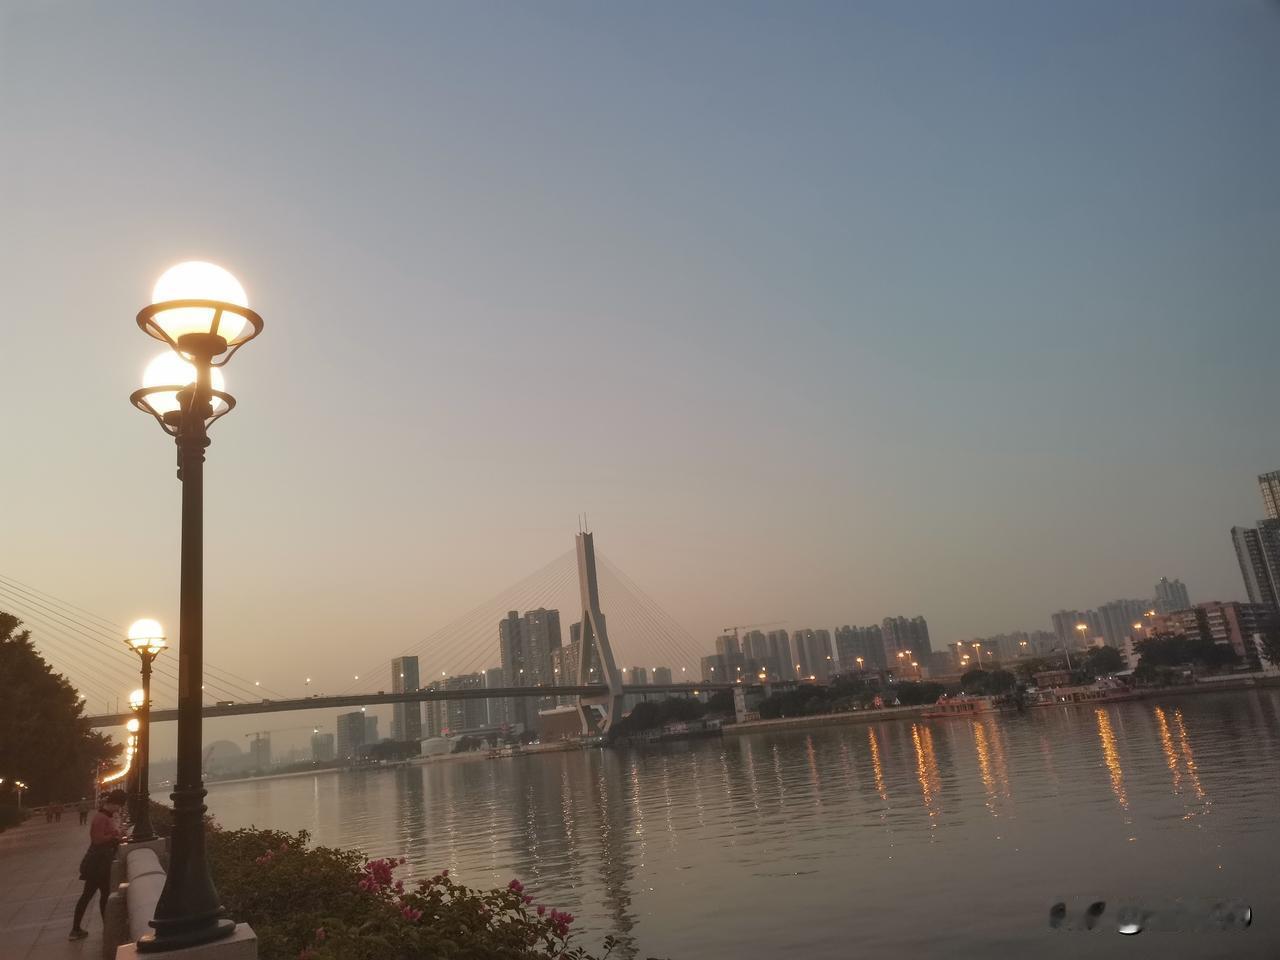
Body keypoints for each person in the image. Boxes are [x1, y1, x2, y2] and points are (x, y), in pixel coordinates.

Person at [68, 789, 126, 941]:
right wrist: (114, 837)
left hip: (101, 862)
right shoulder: (101, 818)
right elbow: (97, 839)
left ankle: (88, 928)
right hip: (97, 864)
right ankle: (79, 929)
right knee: (92, 895)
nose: (119, 809)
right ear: (113, 803)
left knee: (99, 895)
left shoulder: (104, 816)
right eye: (119, 806)